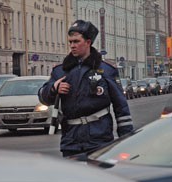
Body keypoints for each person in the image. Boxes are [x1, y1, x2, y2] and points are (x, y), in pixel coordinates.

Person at [38, 20, 133, 158]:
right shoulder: (61, 71)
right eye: (70, 42)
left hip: (100, 140)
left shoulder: (105, 70)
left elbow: (121, 107)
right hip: (71, 141)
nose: (72, 46)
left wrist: (126, 140)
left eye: (76, 41)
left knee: (97, 178)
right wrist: (54, 88)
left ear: (88, 42)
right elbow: (43, 98)